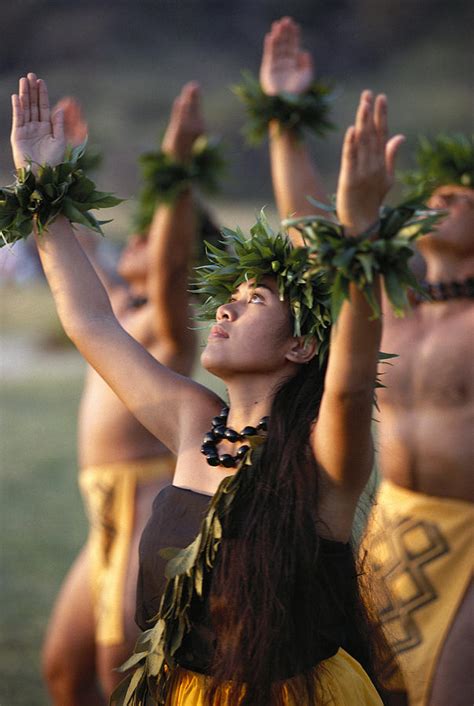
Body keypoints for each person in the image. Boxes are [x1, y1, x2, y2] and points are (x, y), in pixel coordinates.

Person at [10, 72, 406, 705]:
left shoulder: (323, 453)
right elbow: (88, 322)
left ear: (300, 346)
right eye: (229, 297)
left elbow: (353, 383)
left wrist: (357, 237)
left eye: (254, 300)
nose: (225, 309)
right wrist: (40, 185)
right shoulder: (194, 422)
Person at [259, 17, 474, 706]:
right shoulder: (393, 313)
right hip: (387, 528)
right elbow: (310, 228)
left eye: (467, 194)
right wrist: (285, 119)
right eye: (440, 189)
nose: (448, 196)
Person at [38, 82, 206, 704]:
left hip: (141, 505)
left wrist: (176, 164)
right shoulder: (119, 308)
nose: (133, 242)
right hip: (101, 512)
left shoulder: (166, 323)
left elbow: (168, 262)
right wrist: (64, 168)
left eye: (147, 237)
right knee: (63, 666)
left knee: (121, 675)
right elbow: (71, 251)